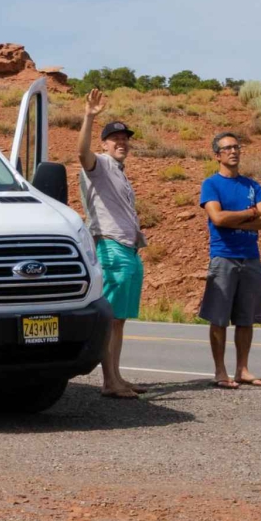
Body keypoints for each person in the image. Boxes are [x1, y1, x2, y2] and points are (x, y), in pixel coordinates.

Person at [76, 89, 146, 399]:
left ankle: (116, 377)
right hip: (111, 248)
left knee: (119, 321)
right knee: (111, 319)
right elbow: (82, 154)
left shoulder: (118, 172)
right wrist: (89, 117)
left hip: (128, 249)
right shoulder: (101, 164)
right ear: (104, 144)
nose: (122, 142)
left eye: (125, 138)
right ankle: (109, 381)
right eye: (115, 138)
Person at [198, 132, 261, 389]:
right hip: (223, 258)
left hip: (250, 258)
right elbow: (217, 218)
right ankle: (220, 371)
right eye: (227, 148)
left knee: (246, 319)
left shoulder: (252, 186)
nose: (233, 151)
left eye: (236, 147)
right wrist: (250, 213)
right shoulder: (211, 184)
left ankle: (243, 369)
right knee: (219, 318)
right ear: (217, 155)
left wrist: (236, 219)